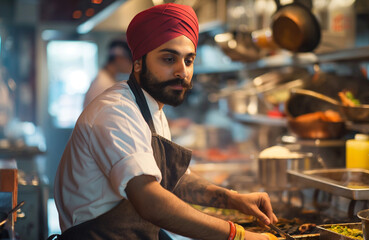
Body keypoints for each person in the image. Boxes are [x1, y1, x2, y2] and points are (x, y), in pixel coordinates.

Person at [53, 3, 278, 240]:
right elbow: (150, 200)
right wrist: (238, 235)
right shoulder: (116, 111)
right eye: (169, 59)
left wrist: (232, 199)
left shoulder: (152, 110)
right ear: (138, 62)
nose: (182, 71)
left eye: (189, 61)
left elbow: (175, 181)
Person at [83, 39, 133, 108]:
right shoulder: (104, 85)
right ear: (119, 58)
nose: (133, 66)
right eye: (130, 61)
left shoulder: (105, 79)